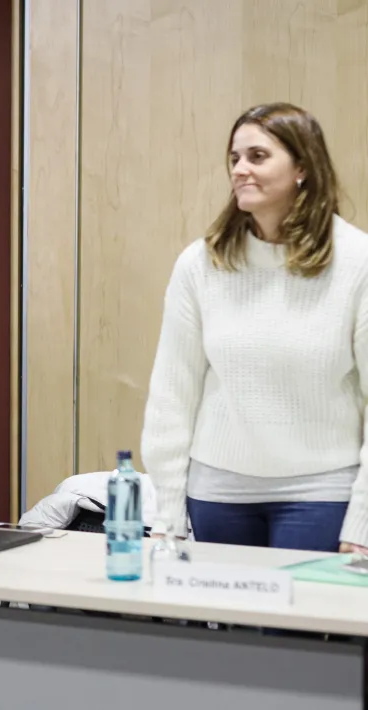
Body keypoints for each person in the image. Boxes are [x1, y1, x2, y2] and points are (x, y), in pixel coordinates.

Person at [142, 103, 368, 554]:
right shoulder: (202, 263)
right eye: (234, 158)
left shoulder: (357, 261)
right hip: (218, 492)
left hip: (321, 493)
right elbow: (173, 394)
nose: (240, 169)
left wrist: (362, 525)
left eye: (257, 156)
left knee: (301, 606)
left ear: (302, 167)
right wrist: (167, 514)